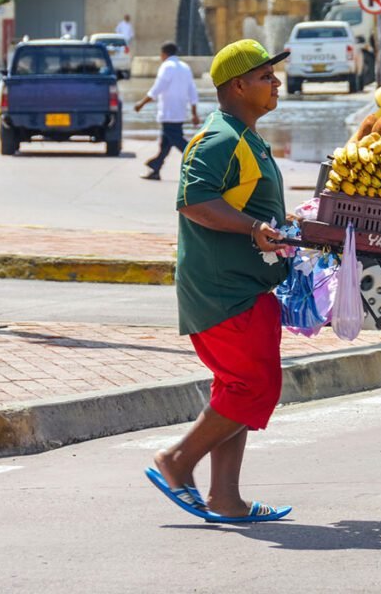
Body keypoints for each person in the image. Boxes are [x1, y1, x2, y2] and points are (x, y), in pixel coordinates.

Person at [144, 38, 293, 524]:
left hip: (244, 286)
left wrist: (281, 225)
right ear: (239, 86)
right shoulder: (220, 138)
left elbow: (245, 203)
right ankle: (177, 460)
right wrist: (253, 228)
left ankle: (225, 498)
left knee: (237, 388)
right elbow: (193, 200)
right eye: (266, 76)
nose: (276, 83)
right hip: (224, 290)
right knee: (253, 387)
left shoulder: (245, 137)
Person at [135, 41, 200, 181]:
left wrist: (141, 103)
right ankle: (155, 168)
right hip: (180, 112)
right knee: (165, 143)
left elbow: (157, 89)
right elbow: (192, 91)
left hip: (168, 112)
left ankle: (198, 162)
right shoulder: (185, 67)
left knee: (178, 141)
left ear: (164, 53)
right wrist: (194, 113)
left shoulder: (167, 66)